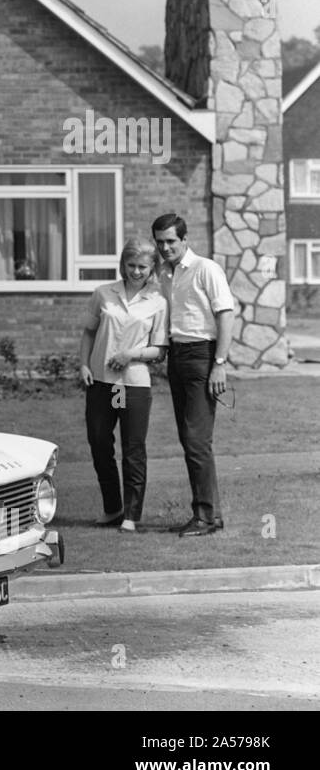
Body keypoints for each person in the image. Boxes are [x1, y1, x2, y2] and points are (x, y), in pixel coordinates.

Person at [151, 213, 235, 537]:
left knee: (197, 439)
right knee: (190, 439)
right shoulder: (167, 274)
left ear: (185, 240)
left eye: (171, 241)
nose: (165, 247)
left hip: (203, 355)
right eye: (160, 242)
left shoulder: (206, 269)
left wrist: (220, 363)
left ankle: (205, 517)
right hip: (177, 356)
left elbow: (225, 315)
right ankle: (209, 513)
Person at [79, 239, 168, 532]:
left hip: (132, 385)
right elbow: (89, 333)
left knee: (133, 448)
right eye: (131, 265)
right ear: (123, 264)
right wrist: (83, 364)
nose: (136, 271)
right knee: (100, 443)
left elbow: (159, 350)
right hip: (103, 383)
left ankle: (131, 514)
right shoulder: (103, 293)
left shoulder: (158, 301)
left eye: (143, 266)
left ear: (152, 267)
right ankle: (113, 508)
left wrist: (131, 354)